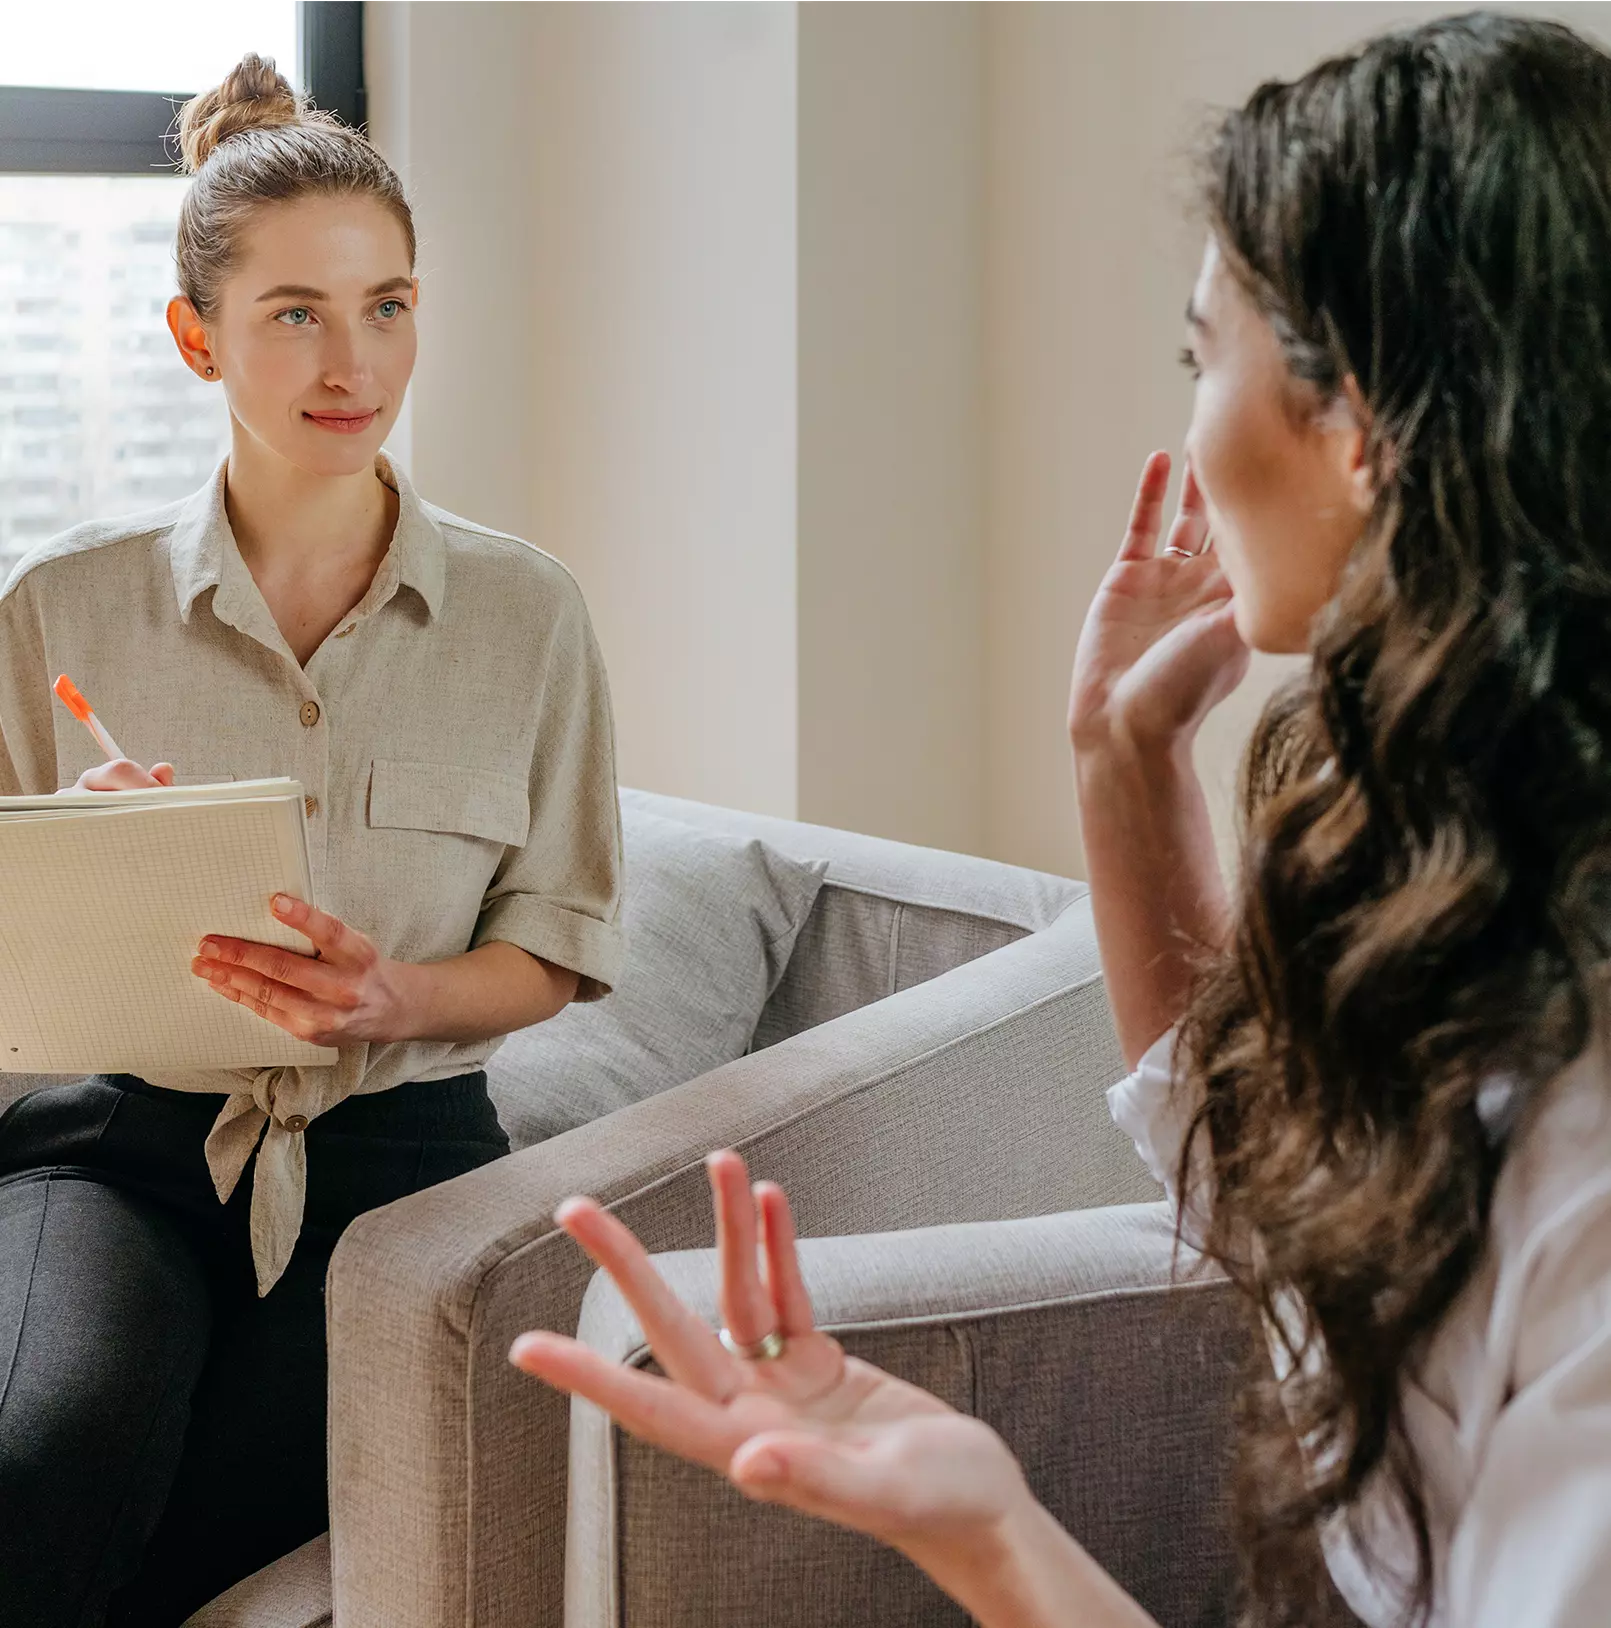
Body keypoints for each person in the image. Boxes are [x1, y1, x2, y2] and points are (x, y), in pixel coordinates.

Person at [508, 13, 1611, 1627]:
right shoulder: (1456, 864)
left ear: (1357, 419)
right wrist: (1117, 760)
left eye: (1199, 358)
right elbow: (1288, 1220)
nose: (1188, 433)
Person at [0, 54, 624, 1627]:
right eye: (296, 313)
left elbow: (549, 947)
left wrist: (388, 1000)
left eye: (388, 306)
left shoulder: (526, 614)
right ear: (195, 334)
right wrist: (77, 868)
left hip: (398, 1166)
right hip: (117, 1144)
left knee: (230, 1513)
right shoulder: (57, 610)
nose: (354, 362)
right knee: (44, 1449)